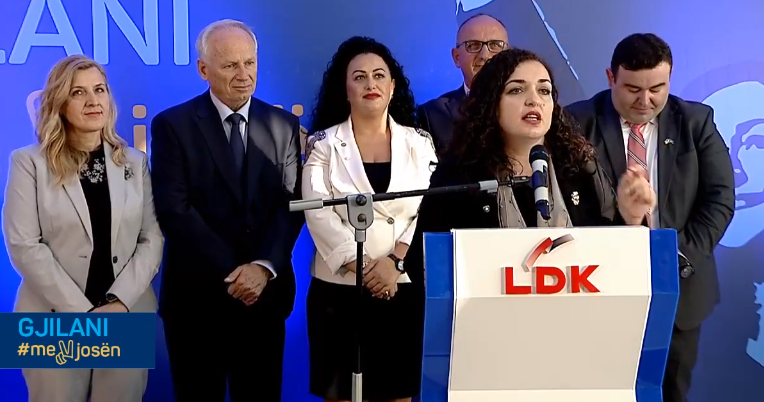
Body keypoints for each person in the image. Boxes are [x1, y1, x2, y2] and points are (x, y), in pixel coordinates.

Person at [565, 33, 735, 402]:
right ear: (611, 77)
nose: (646, 101)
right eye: (633, 89)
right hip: (599, 286)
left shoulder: (696, 121)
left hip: (679, 290)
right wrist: (623, 220)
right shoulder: (576, 122)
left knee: (671, 392)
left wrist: (674, 258)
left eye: (657, 88)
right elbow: (568, 208)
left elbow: (720, 200)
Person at [404, 48, 655, 285]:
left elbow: (612, 257)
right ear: (491, 103)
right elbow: (422, 263)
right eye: (516, 90)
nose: (534, 100)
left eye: (544, 91)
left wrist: (631, 218)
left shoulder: (578, 167)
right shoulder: (461, 175)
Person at [150, 19, 303, 402]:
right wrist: (236, 273)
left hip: (264, 299)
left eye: (249, 63)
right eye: (230, 65)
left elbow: (291, 206)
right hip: (196, 302)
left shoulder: (284, 124)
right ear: (204, 69)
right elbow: (175, 210)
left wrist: (262, 268)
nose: (243, 75)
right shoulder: (172, 125)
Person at [2, 55, 163, 402]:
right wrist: (86, 316)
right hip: (50, 318)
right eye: (78, 92)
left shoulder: (135, 162)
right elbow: (23, 244)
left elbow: (152, 238)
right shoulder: (28, 162)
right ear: (59, 103)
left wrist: (119, 303)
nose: (93, 101)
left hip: (125, 315)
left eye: (99, 90)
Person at [302, 36, 438, 402]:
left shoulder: (420, 142)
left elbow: (427, 209)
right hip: (339, 291)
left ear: (392, 86)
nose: (370, 84)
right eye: (359, 77)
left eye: (379, 75)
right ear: (345, 89)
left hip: (402, 286)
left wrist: (395, 262)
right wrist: (364, 270)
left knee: (398, 393)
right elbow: (317, 212)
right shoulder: (322, 144)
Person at [416, 13, 508, 155]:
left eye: (495, 45)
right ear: (457, 57)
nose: (485, 55)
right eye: (473, 45)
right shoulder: (433, 114)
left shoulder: (530, 107)